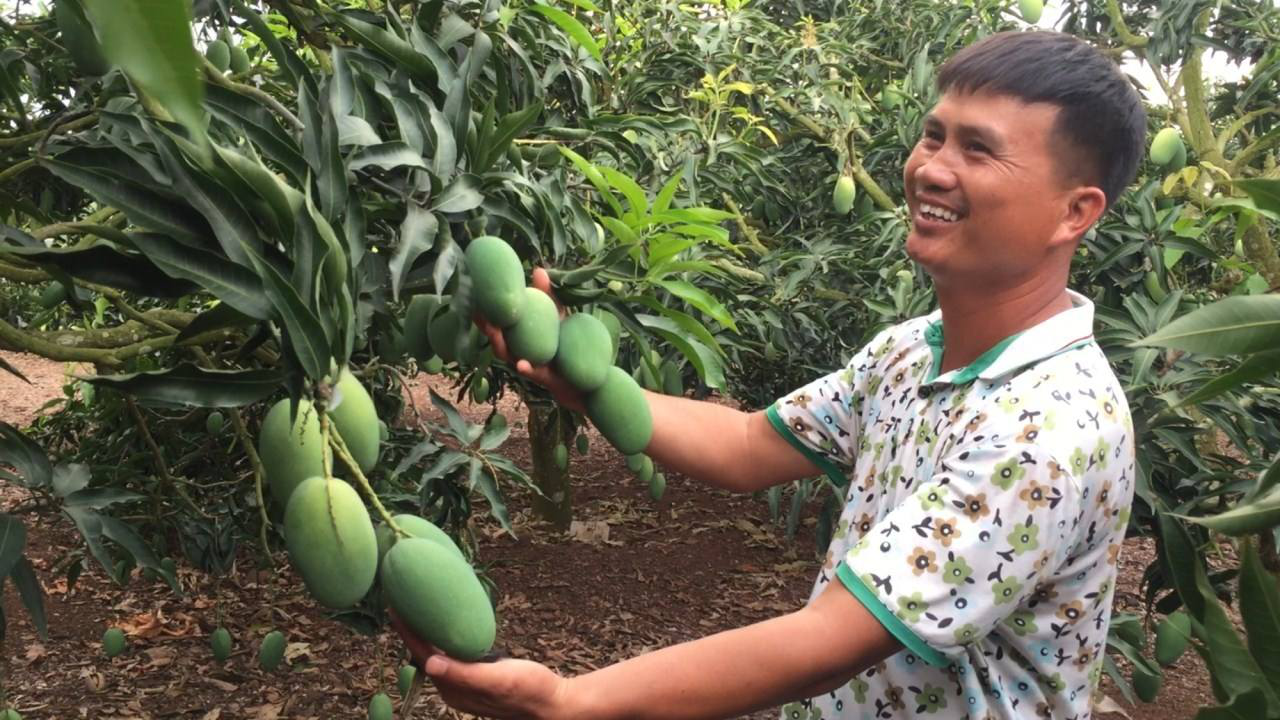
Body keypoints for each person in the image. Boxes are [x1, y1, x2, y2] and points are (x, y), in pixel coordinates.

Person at [391, 29, 1147, 720]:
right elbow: (752, 445)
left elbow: (827, 641)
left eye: (978, 151)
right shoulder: (915, 348)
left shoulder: (1048, 428)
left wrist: (569, 702)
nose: (931, 169)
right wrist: (575, 374)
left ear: (1073, 213)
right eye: (934, 135)